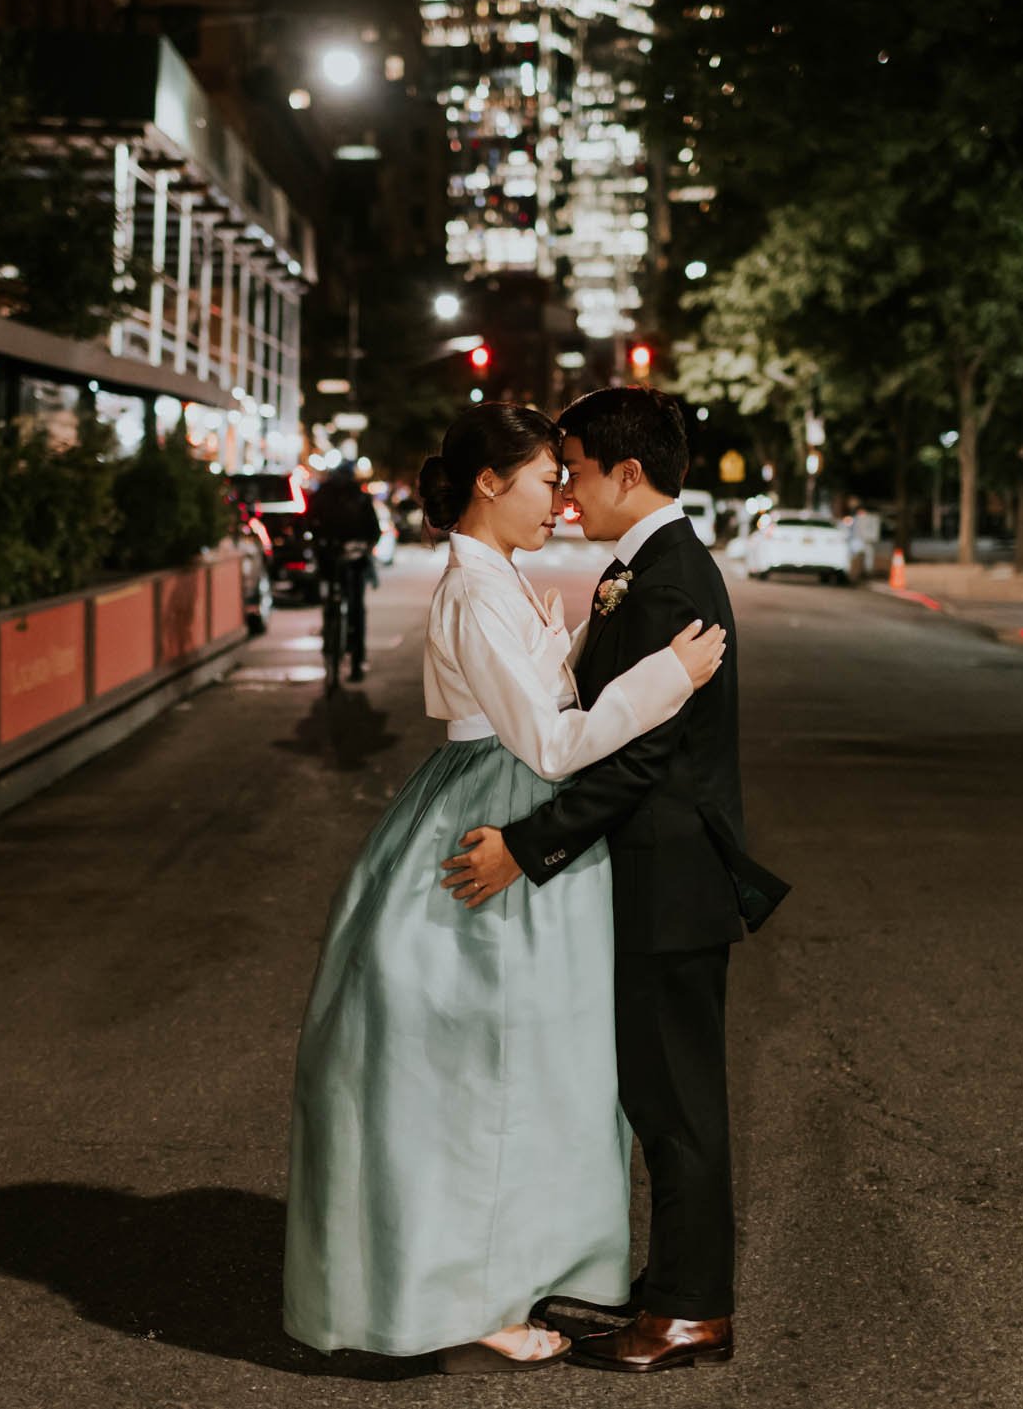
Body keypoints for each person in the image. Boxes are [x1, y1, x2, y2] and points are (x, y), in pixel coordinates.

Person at [284, 403, 728, 1375]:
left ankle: (513, 1270)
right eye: (543, 479)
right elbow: (552, 739)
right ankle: (472, 1291)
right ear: (490, 481)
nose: (559, 500)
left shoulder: (503, 575)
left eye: (567, 478)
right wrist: (666, 677)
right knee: (477, 1068)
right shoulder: (474, 588)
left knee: (530, 1068)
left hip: (519, 805)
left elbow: (545, 702)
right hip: (497, 808)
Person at [441, 386, 789, 1374]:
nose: (566, 492)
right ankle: (675, 1284)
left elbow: (639, 763)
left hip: (667, 875)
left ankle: (690, 1310)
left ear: (626, 473)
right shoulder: (644, 569)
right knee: (658, 1093)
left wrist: (525, 845)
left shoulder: (670, 577)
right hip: (650, 871)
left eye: (578, 469)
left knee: (676, 1099)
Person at [306, 462, 381, 682]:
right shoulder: (358, 496)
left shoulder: (324, 494)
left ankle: (338, 642)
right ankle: (356, 660)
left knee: (342, 603)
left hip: (332, 557)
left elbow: (310, 522)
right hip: (347, 558)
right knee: (355, 608)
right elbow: (373, 531)